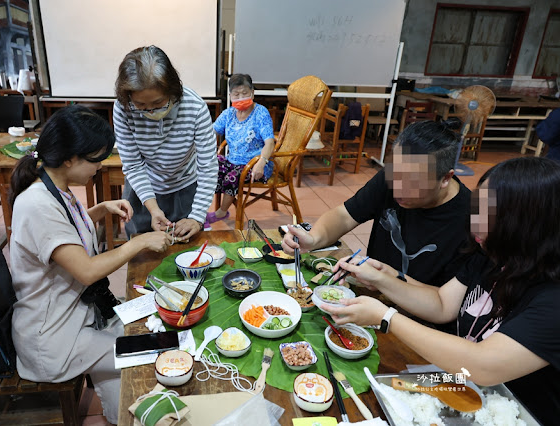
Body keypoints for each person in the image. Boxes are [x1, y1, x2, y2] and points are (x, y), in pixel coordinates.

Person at [322, 156, 560, 425]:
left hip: (514, 412)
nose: (476, 224)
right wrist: (382, 278)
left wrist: (386, 317)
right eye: (478, 208)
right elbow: (442, 303)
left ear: (532, 225)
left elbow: (482, 365)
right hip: (457, 382)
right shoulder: (493, 253)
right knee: (376, 394)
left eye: (491, 216)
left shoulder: (552, 298)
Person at [9, 106, 171, 424]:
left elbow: (64, 234)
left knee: (148, 321)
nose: (99, 167)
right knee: (150, 350)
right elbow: (85, 269)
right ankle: (125, 413)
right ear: (70, 159)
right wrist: (138, 241)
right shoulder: (37, 204)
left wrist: (98, 209)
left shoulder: (53, 187)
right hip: (55, 339)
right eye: (95, 159)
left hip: (80, 315)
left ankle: (117, 416)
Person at [283, 119, 471, 287]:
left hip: (414, 319)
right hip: (373, 293)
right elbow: (345, 215)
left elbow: (444, 303)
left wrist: (386, 286)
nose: (398, 188)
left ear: (446, 178)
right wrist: (314, 238)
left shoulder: (471, 221)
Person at [113, 45, 218, 240]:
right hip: (142, 189)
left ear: (172, 90)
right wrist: (153, 208)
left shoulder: (194, 107)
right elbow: (133, 165)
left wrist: (196, 217)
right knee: (142, 250)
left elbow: (208, 167)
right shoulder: (123, 107)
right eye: (141, 105)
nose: (150, 111)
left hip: (185, 187)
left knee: (186, 248)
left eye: (158, 103)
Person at [206, 73, 275, 227]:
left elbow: (270, 142)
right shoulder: (229, 114)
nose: (241, 97)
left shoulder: (261, 113)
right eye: (236, 94)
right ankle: (199, 212)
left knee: (231, 177)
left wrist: (262, 162)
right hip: (232, 160)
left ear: (252, 93)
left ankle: (221, 212)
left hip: (254, 163)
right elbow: (211, 131)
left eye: (245, 93)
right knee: (209, 167)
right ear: (230, 95)